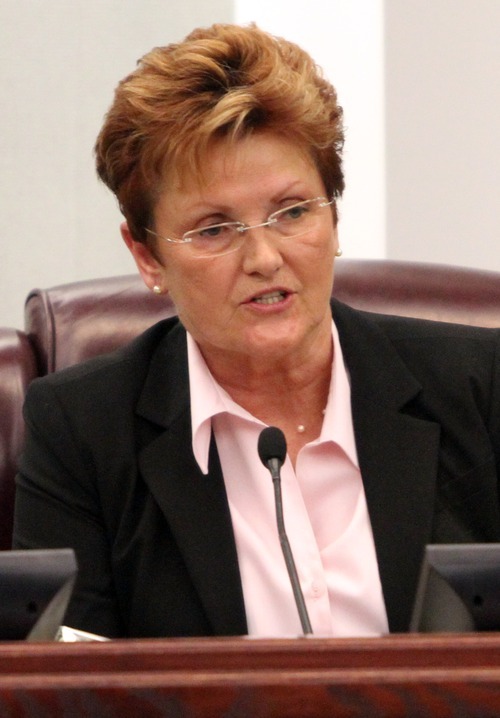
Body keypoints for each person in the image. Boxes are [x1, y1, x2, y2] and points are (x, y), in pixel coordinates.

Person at [13, 23, 500, 640]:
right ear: (147, 257)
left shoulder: (480, 389)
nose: (265, 257)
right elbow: (65, 690)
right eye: (214, 228)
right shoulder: (84, 432)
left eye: (293, 211)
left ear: (335, 215)